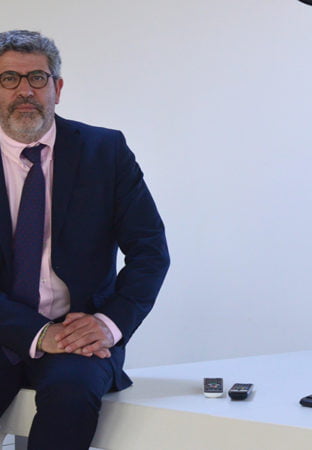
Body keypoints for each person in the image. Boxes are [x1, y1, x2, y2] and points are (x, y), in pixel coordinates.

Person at [0, 29, 170, 449]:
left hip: (78, 335)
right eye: (9, 79)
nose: (25, 91)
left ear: (57, 88)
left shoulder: (104, 150)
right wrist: (38, 334)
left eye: (37, 78)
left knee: (71, 398)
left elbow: (150, 251)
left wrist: (108, 325)